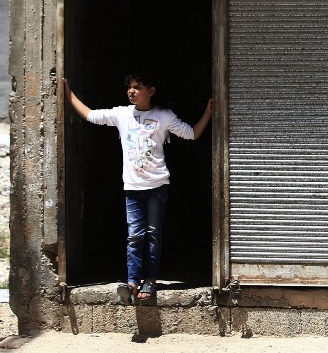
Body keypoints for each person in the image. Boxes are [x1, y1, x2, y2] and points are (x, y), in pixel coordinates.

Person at [62, 71, 214, 304]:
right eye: (130, 87)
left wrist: (208, 112)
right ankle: (132, 281)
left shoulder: (164, 116)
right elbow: (91, 115)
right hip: (132, 187)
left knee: (153, 234)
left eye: (137, 87)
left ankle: (150, 281)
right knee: (135, 235)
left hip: (157, 186)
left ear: (150, 91)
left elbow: (191, 134)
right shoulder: (122, 114)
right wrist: (68, 93)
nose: (131, 91)